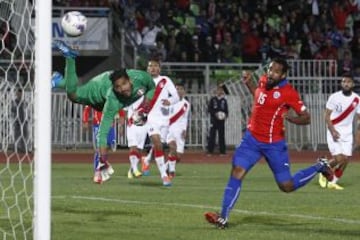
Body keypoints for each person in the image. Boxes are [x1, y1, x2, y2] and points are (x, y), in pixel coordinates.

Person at [204, 57, 333, 229]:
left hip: (274, 144)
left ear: (283, 75)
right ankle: (223, 217)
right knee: (237, 171)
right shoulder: (264, 81)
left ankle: (319, 166)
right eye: (270, 69)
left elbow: (307, 118)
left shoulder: (288, 92)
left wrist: (290, 119)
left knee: (286, 186)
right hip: (252, 139)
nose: (271, 73)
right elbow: (259, 97)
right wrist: (249, 84)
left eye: (276, 71)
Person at [51, 40, 155, 184]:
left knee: (71, 89)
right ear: (115, 88)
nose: (123, 89)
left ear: (130, 80)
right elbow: (103, 131)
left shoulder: (142, 77)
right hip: (97, 90)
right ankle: (70, 57)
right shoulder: (113, 100)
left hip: (108, 84)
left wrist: (145, 108)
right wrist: (103, 159)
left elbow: (152, 86)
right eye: (118, 87)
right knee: (73, 96)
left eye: (124, 84)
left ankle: (60, 81)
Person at [141, 58, 180, 186]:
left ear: (159, 68)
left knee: (160, 146)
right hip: (151, 118)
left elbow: (176, 96)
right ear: (147, 69)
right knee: (157, 143)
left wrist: (171, 101)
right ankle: (164, 176)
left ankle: (146, 160)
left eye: (155, 66)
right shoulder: (143, 82)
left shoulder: (166, 80)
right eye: (150, 66)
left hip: (164, 119)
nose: (152, 68)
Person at [318, 73, 360, 190]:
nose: (346, 84)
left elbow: (359, 118)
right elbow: (326, 116)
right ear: (341, 83)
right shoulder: (334, 97)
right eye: (344, 82)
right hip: (334, 130)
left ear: (352, 84)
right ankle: (322, 170)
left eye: (348, 82)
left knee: (346, 160)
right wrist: (332, 130)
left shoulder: (357, 99)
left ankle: (333, 181)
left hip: (347, 133)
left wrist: (357, 134)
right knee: (339, 158)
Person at [82, 105, 123, 171]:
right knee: (100, 148)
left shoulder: (113, 96)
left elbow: (120, 108)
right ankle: (97, 170)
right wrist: (85, 121)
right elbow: (87, 108)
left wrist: (121, 125)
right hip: (98, 125)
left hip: (110, 125)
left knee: (108, 147)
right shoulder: (95, 96)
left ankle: (103, 164)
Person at [165, 82, 191, 178]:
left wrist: (184, 129)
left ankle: (166, 166)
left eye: (181, 89)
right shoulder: (169, 101)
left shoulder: (186, 104)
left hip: (180, 130)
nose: (179, 91)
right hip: (169, 128)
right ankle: (172, 171)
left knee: (178, 156)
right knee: (172, 147)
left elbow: (185, 118)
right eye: (177, 89)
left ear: (184, 91)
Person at [125, 96, 148, 179]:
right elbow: (124, 108)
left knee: (139, 150)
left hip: (144, 126)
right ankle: (135, 169)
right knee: (133, 147)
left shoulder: (148, 96)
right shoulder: (131, 94)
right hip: (132, 125)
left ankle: (131, 169)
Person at [207, 84, 228, 155]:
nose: (220, 91)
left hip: (221, 121)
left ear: (222, 91)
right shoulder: (213, 99)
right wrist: (215, 114)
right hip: (214, 120)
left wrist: (225, 116)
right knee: (212, 135)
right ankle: (210, 151)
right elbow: (209, 109)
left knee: (221, 136)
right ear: (216, 91)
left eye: (221, 90)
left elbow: (226, 111)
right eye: (218, 90)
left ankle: (222, 151)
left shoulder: (224, 100)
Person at [11, 88, 28, 153]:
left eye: (20, 93)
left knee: (24, 135)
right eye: (17, 93)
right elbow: (12, 110)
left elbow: (27, 109)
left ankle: (23, 149)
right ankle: (16, 148)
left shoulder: (24, 102)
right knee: (17, 135)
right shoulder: (14, 102)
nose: (18, 94)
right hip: (17, 121)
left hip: (24, 121)